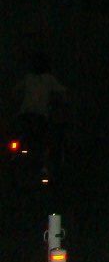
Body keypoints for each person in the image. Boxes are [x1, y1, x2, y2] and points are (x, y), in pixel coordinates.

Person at [14, 49, 68, 179]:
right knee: (45, 140)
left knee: (24, 135)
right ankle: (43, 168)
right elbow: (62, 93)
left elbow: (16, 91)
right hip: (40, 116)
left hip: (25, 115)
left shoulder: (28, 78)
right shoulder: (49, 79)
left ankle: (17, 158)